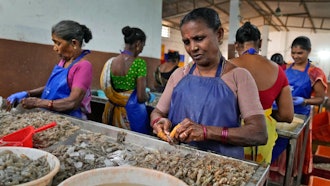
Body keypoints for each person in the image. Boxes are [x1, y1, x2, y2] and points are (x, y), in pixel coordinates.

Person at [150, 7, 268, 160]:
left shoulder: (239, 77)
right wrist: (159, 122)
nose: (193, 48)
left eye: (199, 38)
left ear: (219, 34)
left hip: (221, 168)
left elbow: (259, 133)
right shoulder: (179, 75)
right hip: (175, 159)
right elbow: (157, 112)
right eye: (187, 42)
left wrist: (206, 132)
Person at [230, 22, 294, 164]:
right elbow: (287, 115)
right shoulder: (278, 70)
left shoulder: (226, 67)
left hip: (231, 135)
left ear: (236, 45)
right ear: (260, 42)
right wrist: (266, 113)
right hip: (262, 137)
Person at [7, 20, 93, 120]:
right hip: (51, 115)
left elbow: (72, 102)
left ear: (74, 43)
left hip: (70, 119)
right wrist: (28, 93)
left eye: (58, 43)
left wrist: (37, 102)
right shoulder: (64, 61)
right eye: (54, 42)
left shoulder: (83, 66)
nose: (54, 48)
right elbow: (53, 87)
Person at [270, 36, 328, 183]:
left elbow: (321, 99)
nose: (295, 56)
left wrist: (305, 101)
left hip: (299, 116)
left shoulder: (315, 73)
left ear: (308, 51)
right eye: (293, 52)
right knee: (273, 144)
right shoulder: (285, 67)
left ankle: (287, 177)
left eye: (300, 53)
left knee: (289, 152)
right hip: (280, 112)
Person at [100, 26, 154, 135]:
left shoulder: (111, 62)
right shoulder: (139, 64)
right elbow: (140, 97)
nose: (142, 49)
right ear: (138, 44)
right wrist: (149, 96)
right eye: (143, 45)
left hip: (111, 112)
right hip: (129, 115)